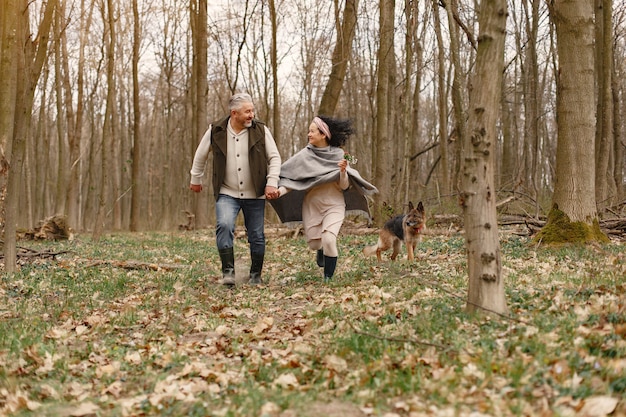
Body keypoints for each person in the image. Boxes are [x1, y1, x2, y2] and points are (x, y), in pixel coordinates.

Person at [189, 93, 281, 287]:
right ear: (234, 113)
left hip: (255, 193)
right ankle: (228, 273)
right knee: (224, 225)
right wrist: (195, 178)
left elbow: (274, 158)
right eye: (247, 111)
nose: (251, 115)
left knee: (256, 234)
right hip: (227, 191)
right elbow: (200, 155)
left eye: (252, 111)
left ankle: (255, 275)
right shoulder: (216, 130)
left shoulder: (261, 130)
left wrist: (272, 181)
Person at [270, 116, 378, 281]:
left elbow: (344, 186)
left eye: (312, 131)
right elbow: (294, 180)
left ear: (323, 135)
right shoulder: (304, 156)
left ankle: (328, 278)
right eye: (309, 131)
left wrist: (343, 171)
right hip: (312, 206)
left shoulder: (340, 155)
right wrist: (279, 192)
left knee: (328, 239)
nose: (309, 134)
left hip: (334, 205)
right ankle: (320, 251)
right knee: (315, 244)